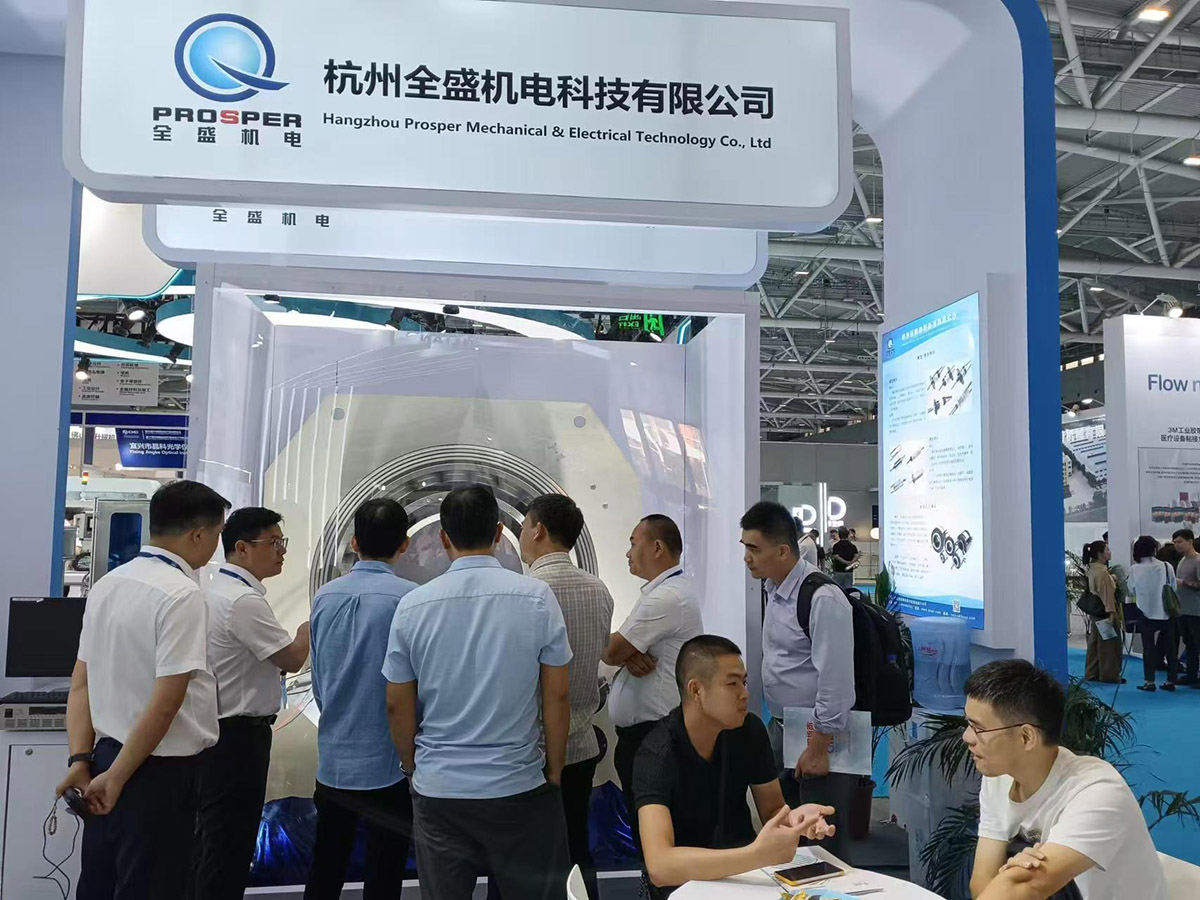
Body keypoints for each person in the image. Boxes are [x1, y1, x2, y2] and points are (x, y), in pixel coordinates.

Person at [383, 485, 572, 900]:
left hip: (440, 790)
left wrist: (412, 767)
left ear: (443, 537)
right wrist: (555, 769)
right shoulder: (536, 597)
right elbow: (557, 695)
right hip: (517, 784)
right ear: (500, 532)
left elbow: (397, 702)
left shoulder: (413, 606)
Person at [57, 480, 229, 900]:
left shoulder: (108, 584)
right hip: (156, 772)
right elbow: (166, 702)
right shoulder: (182, 594)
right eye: (218, 534)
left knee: (100, 882)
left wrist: (81, 760)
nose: (216, 546)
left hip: (105, 759)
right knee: (155, 885)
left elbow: (80, 683)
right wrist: (117, 777)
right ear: (198, 535)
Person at [634, 635, 836, 899]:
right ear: (696, 690)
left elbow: (773, 810)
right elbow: (660, 866)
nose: (745, 694)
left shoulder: (749, 731)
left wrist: (796, 819)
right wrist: (755, 855)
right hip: (682, 889)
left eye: (744, 682)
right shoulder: (657, 753)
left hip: (746, 880)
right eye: (732, 684)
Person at [966, 660, 1167, 900]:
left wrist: (1011, 878)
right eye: (968, 724)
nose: (967, 737)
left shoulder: (1096, 791)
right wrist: (1008, 876)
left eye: (978, 729)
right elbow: (982, 881)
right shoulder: (1000, 776)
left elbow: (1026, 887)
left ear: (1026, 737)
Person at [194, 507, 310, 900]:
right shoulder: (242, 601)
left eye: (282, 542)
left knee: (215, 842)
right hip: (238, 738)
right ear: (242, 548)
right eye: (274, 543)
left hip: (219, 733)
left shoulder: (218, 591)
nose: (282, 551)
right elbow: (291, 658)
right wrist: (308, 628)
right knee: (229, 845)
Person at [306, 499, 418, 900]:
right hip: (390, 764)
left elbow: (319, 681)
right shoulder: (410, 599)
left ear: (354, 543)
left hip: (334, 759)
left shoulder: (324, 597)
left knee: (326, 866)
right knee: (384, 873)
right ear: (404, 544)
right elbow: (410, 689)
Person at [741, 501, 856, 857]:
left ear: (782, 551)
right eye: (745, 547)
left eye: (754, 548)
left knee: (821, 843)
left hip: (819, 737)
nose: (747, 557)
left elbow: (836, 682)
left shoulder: (822, 598)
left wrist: (818, 747)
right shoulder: (773, 589)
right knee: (787, 838)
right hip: (783, 728)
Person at [518, 493, 614, 900]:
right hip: (582, 744)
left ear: (538, 530)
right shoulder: (600, 590)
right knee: (577, 846)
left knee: (525, 857)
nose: (521, 536)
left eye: (524, 527)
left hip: (532, 750)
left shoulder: (526, 592)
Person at [602, 513, 703, 846]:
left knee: (655, 838)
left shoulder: (666, 598)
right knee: (647, 833)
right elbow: (622, 650)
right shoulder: (659, 593)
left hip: (654, 735)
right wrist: (629, 653)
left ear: (657, 547)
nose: (627, 552)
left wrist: (622, 652)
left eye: (633, 543)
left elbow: (611, 650)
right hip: (647, 735)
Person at [1129, 535, 1180, 692]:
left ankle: (1149, 681)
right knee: (1171, 648)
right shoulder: (1166, 566)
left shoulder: (1135, 569)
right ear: (1154, 548)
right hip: (1166, 612)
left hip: (1145, 612)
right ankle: (1171, 681)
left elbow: (1131, 589)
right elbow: (1174, 587)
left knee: (1148, 649)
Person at [1080, 541, 1122, 686]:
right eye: (1107, 550)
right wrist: (1112, 613)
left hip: (1095, 612)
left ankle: (1092, 672)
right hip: (1105, 612)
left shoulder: (1092, 569)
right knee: (1110, 645)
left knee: (1094, 643)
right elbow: (1107, 595)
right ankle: (1109, 675)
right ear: (1100, 553)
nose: (1110, 552)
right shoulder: (1103, 572)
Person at [1171, 529, 1200, 688]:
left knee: (1197, 644)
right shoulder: (1182, 560)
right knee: (1189, 644)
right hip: (1183, 609)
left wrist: (1184, 583)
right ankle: (1191, 675)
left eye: (1180, 542)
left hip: (1196, 611)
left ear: (1190, 541)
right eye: (1175, 542)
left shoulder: (1198, 560)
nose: (1177, 545)